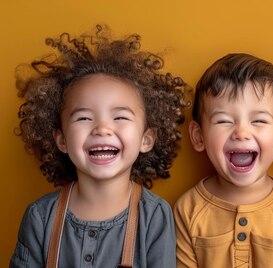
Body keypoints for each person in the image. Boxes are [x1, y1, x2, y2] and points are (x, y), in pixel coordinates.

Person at [10, 25, 188, 268]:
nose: (102, 129)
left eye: (120, 117)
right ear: (61, 139)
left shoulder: (155, 217)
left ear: (146, 139)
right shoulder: (40, 217)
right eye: (84, 118)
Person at [174, 53, 273, 267]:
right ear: (198, 136)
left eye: (258, 120)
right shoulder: (187, 209)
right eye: (223, 120)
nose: (241, 132)